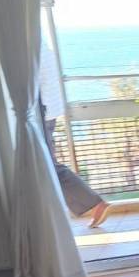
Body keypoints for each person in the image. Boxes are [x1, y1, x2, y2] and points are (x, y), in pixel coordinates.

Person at [39, 38, 111, 228]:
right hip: (47, 111)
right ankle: (92, 204)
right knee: (46, 163)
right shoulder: (39, 44)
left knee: (47, 164)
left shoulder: (30, 48)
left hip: (42, 113)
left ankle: (94, 203)